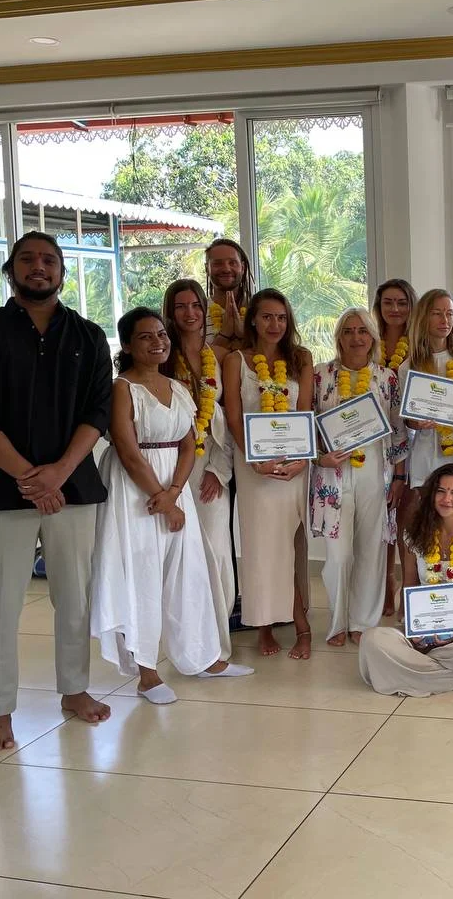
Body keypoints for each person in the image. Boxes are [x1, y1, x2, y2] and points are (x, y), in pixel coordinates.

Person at [0, 231, 113, 752]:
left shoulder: (89, 337)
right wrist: (32, 477)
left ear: (63, 272)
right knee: (1, 603)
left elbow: (98, 411)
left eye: (50, 260)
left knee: (74, 598)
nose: (39, 267)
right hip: (5, 492)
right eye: (29, 259)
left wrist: (59, 473)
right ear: (11, 269)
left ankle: (74, 690)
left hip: (75, 489)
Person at [91, 309, 252, 703]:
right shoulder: (122, 389)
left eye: (161, 334)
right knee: (142, 575)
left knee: (189, 571)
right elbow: (128, 452)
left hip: (174, 488)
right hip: (134, 490)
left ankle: (203, 657)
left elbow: (186, 444)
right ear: (127, 345)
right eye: (145, 337)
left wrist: (175, 491)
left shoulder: (178, 387)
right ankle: (146, 672)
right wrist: (162, 501)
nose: (157, 342)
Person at [221, 288, 315, 659]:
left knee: (292, 547)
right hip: (254, 470)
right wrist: (254, 460)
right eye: (267, 317)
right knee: (261, 550)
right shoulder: (235, 361)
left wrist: (302, 460)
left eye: (281, 317)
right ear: (253, 321)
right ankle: (263, 626)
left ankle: (301, 623)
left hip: (294, 466)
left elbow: (304, 412)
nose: (275, 324)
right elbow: (231, 416)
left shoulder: (301, 359)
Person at [310, 307, 408, 645]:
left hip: (375, 471)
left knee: (371, 550)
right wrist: (318, 457)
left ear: (372, 338)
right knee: (338, 556)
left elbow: (397, 431)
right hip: (332, 475)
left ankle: (362, 623)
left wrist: (399, 478)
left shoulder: (386, 377)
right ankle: (337, 623)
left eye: (362, 331)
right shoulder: (319, 375)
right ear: (338, 338)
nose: (355, 337)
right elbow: (305, 426)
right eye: (348, 331)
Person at [359, 464, 453, 696]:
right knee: (372, 640)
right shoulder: (413, 534)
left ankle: (412, 667)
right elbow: (410, 583)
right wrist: (414, 627)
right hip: (422, 628)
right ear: (432, 494)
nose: (447, 499)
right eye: (441, 491)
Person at [161, 278, 236, 660]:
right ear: (170, 313)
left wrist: (217, 471)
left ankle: (218, 643)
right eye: (180, 307)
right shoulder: (160, 356)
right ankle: (186, 642)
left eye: (195, 306)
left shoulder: (217, 357)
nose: (189, 313)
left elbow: (222, 417)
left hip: (211, 464)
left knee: (217, 552)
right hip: (170, 466)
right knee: (179, 555)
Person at [398, 289, 453, 490]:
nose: (445, 319)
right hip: (426, 460)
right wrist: (417, 422)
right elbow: (408, 421)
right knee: (429, 521)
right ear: (423, 317)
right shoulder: (408, 367)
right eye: (437, 313)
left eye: (450, 313)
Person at [373, 277, 418, 616]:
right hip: (375, 441)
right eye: (388, 302)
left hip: (414, 440)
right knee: (382, 517)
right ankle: (385, 584)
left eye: (401, 302)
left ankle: (408, 587)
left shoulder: (419, 346)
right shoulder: (367, 342)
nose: (395, 309)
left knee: (405, 517)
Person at [202, 237, 254, 351]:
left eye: (232, 263)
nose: (226, 269)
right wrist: (224, 335)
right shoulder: (197, 314)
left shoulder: (260, 310)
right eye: (218, 263)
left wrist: (243, 335)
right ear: (207, 268)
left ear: (243, 268)